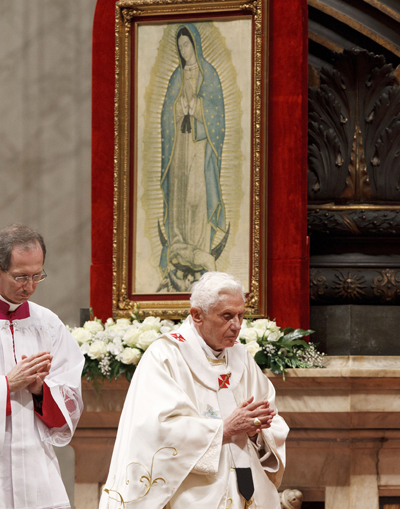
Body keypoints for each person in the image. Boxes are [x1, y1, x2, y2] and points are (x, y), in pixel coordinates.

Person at [100, 271, 289, 508]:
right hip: (194, 494)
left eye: (241, 315)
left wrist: (257, 432)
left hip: (250, 490)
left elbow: (270, 418)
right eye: (227, 316)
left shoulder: (242, 357)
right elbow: (154, 431)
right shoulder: (166, 356)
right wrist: (224, 428)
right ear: (197, 315)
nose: (237, 326)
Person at [0, 224, 84, 509]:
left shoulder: (47, 323)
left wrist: (40, 391)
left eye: (38, 276)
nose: (30, 286)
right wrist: (7, 386)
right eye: (20, 277)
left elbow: (68, 400)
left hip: (36, 464)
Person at [159, 24, 228, 291]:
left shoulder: (208, 74)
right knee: (179, 193)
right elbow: (167, 112)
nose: (183, 50)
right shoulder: (177, 76)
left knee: (197, 194)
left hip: (199, 145)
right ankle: (178, 244)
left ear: (195, 45)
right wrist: (179, 108)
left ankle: (199, 245)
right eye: (180, 46)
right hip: (179, 146)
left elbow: (218, 115)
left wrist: (197, 107)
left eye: (187, 45)